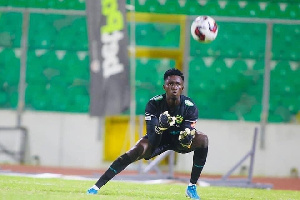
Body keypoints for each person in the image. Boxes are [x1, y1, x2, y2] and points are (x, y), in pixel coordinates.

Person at [87, 68, 208, 200]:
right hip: (159, 138)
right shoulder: (154, 104)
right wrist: (160, 127)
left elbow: (186, 135)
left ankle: (191, 187)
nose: (174, 87)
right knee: (135, 150)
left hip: (178, 140)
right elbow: (153, 139)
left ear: (182, 88)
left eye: (177, 84)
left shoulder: (190, 106)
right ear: (164, 87)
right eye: (170, 84)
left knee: (203, 139)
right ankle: (96, 186)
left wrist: (186, 138)